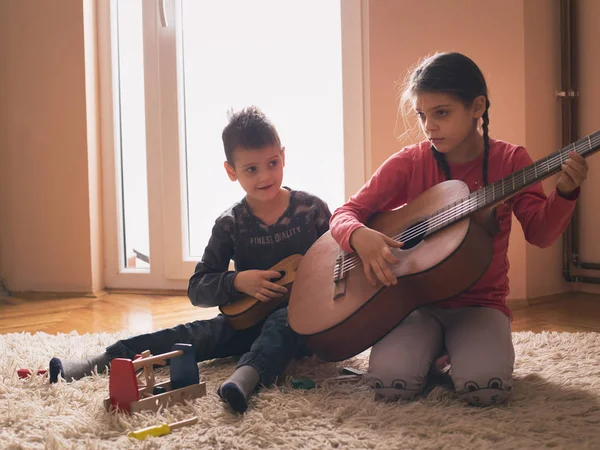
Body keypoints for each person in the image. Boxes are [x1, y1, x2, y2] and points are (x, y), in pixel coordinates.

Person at [329, 52, 588, 406]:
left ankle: (455, 350)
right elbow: (345, 213)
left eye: (442, 113)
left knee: (486, 389)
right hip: (413, 304)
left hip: (481, 304)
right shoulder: (411, 161)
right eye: (422, 115)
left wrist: (565, 192)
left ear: (477, 107)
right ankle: (434, 350)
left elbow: (540, 234)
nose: (429, 126)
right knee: (390, 385)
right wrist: (359, 236)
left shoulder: (511, 161)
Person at [49, 106, 332, 413]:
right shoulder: (231, 224)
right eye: (251, 169)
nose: (265, 176)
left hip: (303, 326)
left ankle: (245, 378)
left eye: (273, 163)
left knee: (281, 320)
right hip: (245, 321)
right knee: (194, 334)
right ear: (231, 171)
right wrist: (238, 280)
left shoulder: (311, 211)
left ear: (283, 156)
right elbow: (198, 287)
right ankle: (105, 360)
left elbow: (337, 258)